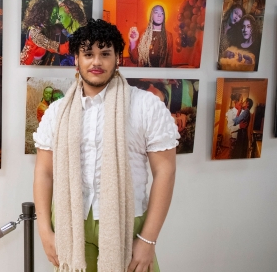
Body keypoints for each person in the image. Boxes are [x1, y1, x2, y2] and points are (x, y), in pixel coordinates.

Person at [33, 19, 178, 272]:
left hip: (127, 221)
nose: (96, 62)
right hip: (70, 222)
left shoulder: (145, 105)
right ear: (76, 60)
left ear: (117, 59)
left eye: (105, 53)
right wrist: (45, 232)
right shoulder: (57, 112)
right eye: (88, 54)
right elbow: (44, 173)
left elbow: (165, 171)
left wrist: (148, 240)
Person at [20, 0, 69, 66]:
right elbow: (58, 48)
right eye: (54, 13)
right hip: (27, 69)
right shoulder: (35, 33)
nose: (56, 17)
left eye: (56, 13)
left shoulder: (43, 26)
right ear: (44, 13)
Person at [56, 0, 88, 66]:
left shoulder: (84, 34)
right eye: (58, 18)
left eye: (61, 17)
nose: (60, 21)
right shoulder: (65, 31)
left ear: (70, 15)